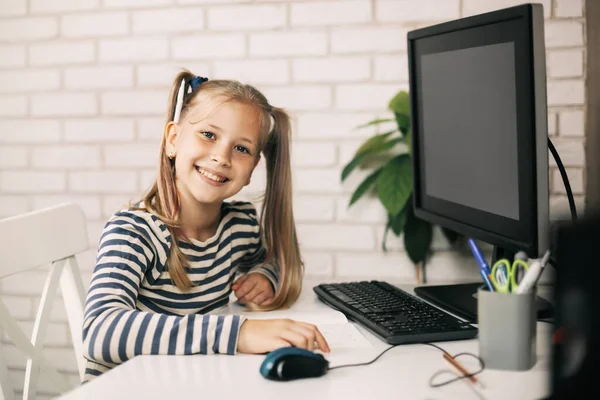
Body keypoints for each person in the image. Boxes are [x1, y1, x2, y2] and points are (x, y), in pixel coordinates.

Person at [81, 70, 330, 382]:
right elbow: (100, 331)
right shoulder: (133, 232)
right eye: (209, 135)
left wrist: (264, 276)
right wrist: (239, 333)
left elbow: (278, 261)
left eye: (242, 148)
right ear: (173, 140)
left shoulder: (238, 225)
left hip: (188, 382)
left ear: (252, 168)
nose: (221, 157)